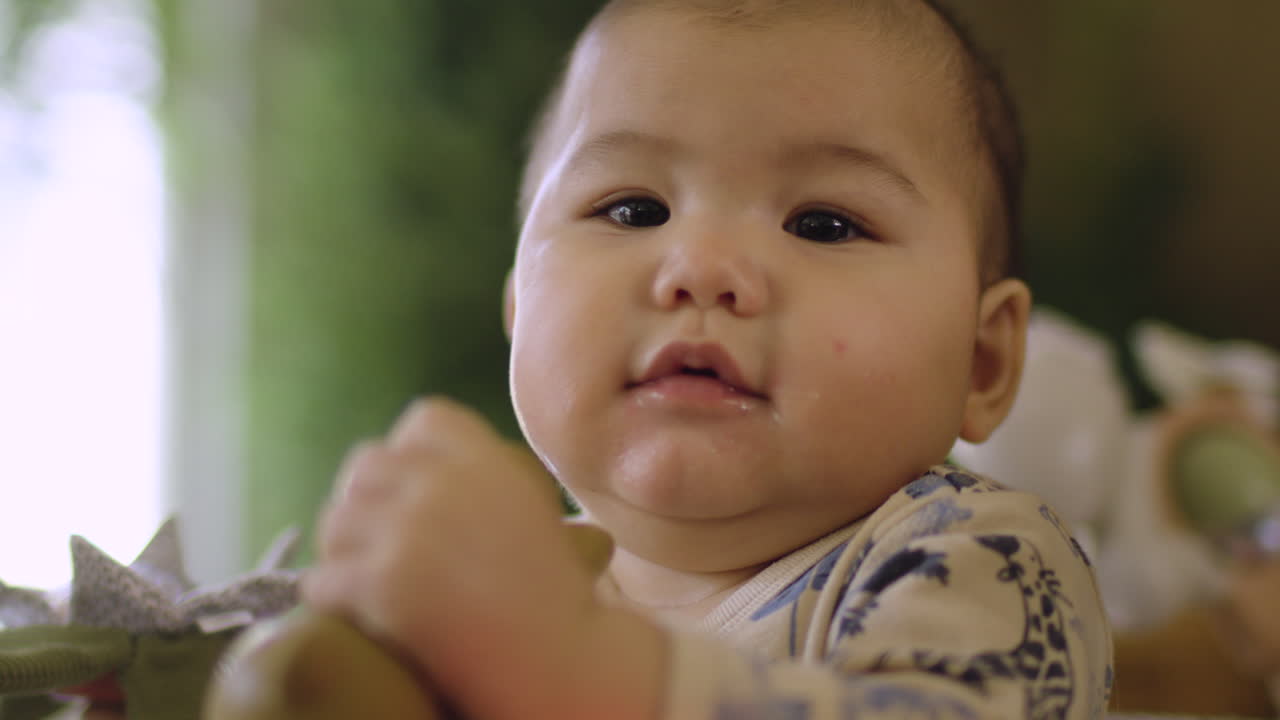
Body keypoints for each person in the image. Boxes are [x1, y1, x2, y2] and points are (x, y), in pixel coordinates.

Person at [302, 0, 1114, 718]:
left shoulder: (977, 556)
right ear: (519, 307)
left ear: (982, 362)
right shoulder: (512, 580)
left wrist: (573, 668)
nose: (701, 267)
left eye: (822, 223)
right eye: (633, 208)